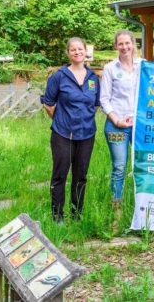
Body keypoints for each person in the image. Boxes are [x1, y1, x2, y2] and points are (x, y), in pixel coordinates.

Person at [41, 37, 100, 222]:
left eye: (80, 49)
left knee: (80, 176)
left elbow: (95, 105)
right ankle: (58, 217)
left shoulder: (93, 78)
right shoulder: (59, 76)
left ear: (85, 51)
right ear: (68, 53)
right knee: (60, 175)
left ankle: (77, 215)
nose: (77, 52)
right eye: (73, 49)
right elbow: (48, 104)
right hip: (63, 134)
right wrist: (61, 120)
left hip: (86, 134)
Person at [100, 30, 142, 204]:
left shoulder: (143, 65)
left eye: (127, 43)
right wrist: (116, 120)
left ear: (133, 44)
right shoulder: (110, 68)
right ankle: (117, 207)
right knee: (119, 167)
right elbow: (104, 99)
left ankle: (143, 206)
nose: (125, 47)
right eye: (121, 44)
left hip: (140, 126)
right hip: (116, 126)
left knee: (143, 166)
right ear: (116, 46)